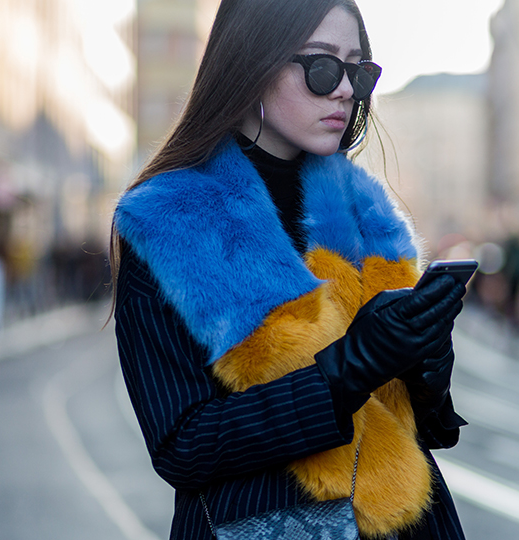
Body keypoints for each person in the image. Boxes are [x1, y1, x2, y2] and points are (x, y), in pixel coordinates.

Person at [110, 0, 468, 538]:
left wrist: (425, 365)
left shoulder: (368, 215)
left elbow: (423, 432)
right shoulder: (170, 221)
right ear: (253, 64)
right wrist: (350, 367)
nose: (346, 90)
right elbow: (182, 446)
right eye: (323, 67)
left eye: (359, 71)